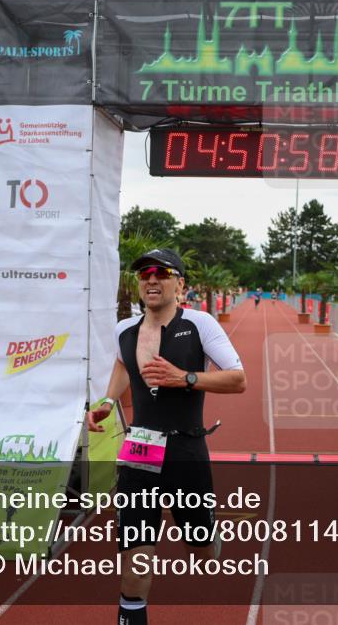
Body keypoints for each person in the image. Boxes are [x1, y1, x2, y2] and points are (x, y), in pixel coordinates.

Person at [87, 248, 246, 625]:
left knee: (201, 551)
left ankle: (206, 533)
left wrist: (185, 378)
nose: (152, 279)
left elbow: (238, 379)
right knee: (135, 556)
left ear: (180, 284)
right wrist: (108, 401)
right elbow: (123, 364)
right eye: (144, 274)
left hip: (185, 447)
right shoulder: (125, 329)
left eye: (161, 272)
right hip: (140, 446)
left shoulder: (200, 324)